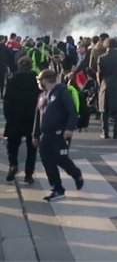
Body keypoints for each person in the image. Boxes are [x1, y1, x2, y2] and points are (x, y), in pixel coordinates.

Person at [33, 69, 84, 201]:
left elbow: (72, 112)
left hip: (59, 134)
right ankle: (57, 188)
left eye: (39, 80)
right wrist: (35, 134)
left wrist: (69, 128)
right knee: (47, 162)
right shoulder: (42, 96)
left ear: (45, 80)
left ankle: (76, 174)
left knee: (61, 159)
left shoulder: (62, 92)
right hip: (45, 135)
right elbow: (38, 116)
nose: (38, 83)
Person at [4, 57, 41, 184]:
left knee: (12, 144)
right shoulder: (36, 80)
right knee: (32, 147)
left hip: (15, 118)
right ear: (31, 66)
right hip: (32, 118)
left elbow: (7, 101)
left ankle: (13, 164)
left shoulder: (12, 80)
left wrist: (8, 117)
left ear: (19, 66)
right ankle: (29, 174)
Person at [97, 37, 117, 139]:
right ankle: (116, 132)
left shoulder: (101, 58)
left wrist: (100, 84)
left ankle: (105, 132)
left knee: (104, 111)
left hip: (105, 85)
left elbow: (99, 74)